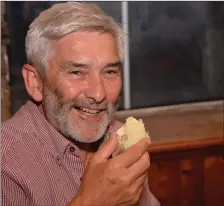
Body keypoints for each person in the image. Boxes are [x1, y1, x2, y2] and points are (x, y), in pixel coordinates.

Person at [2, 2, 160, 206]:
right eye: (76, 72)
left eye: (110, 71)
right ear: (35, 83)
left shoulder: (121, 140)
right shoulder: (6, 162)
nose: (98, 93)